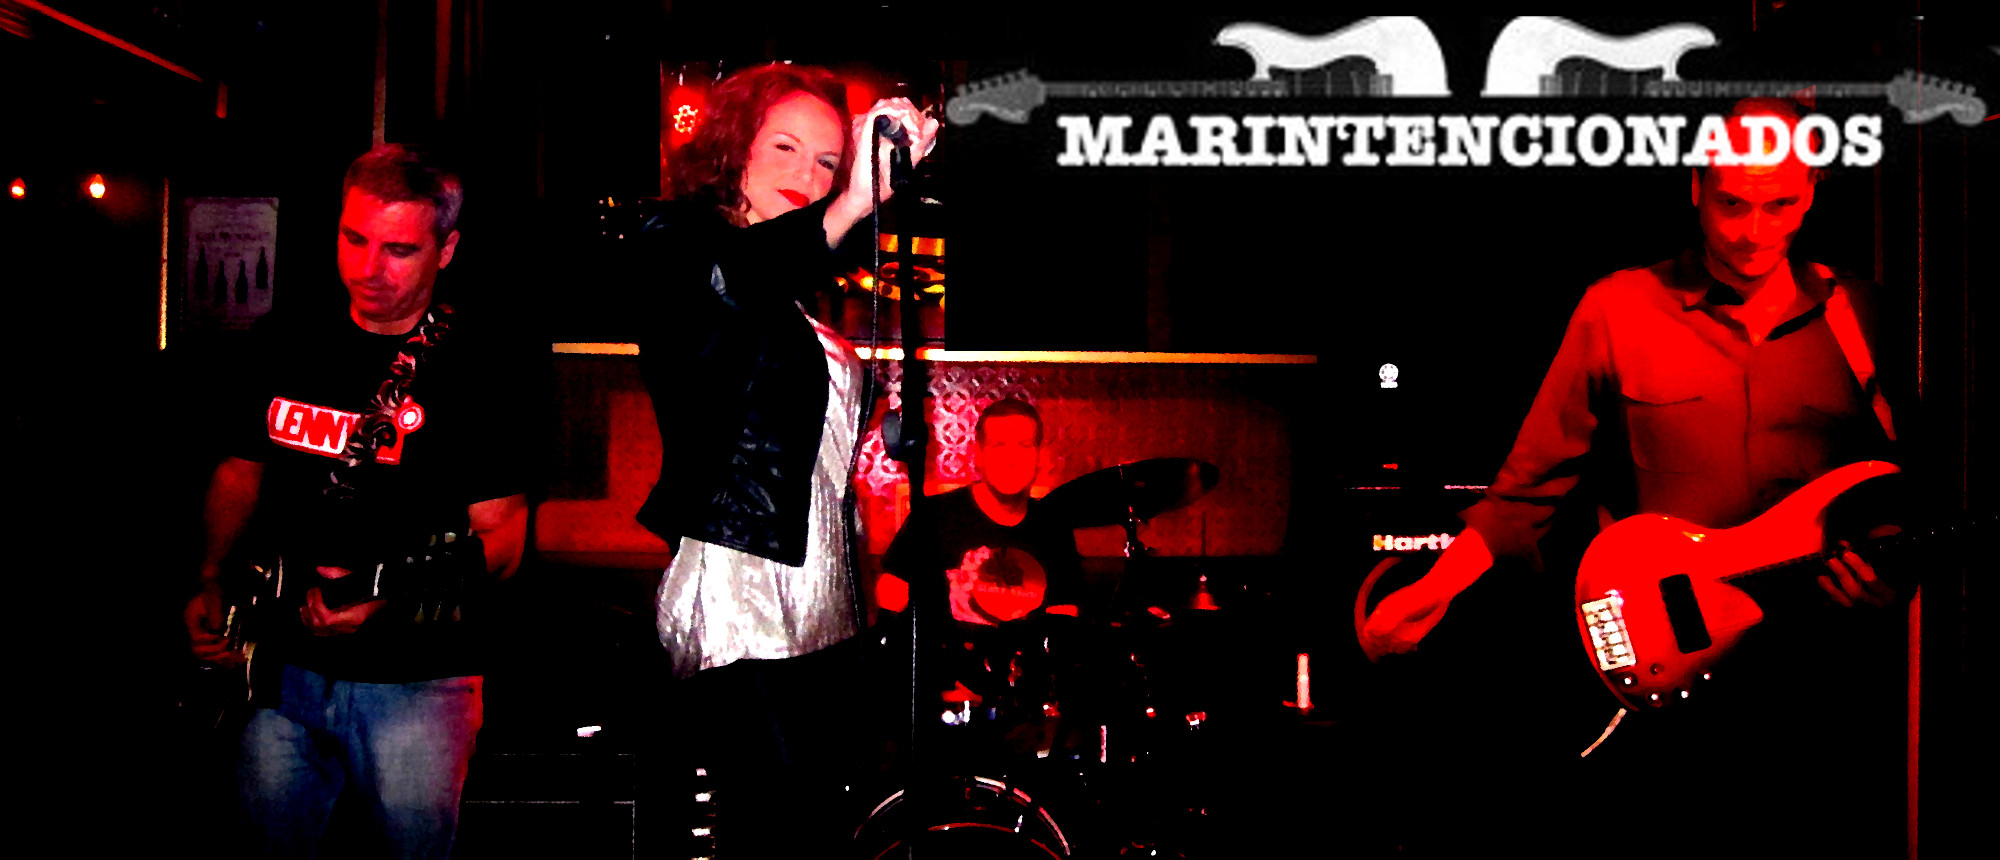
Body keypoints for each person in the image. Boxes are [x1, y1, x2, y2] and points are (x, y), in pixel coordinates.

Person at [1358, 98, 1911, 858]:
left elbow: (1902, 488)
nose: (1753, 232)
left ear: (1813, 188)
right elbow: (1526, 490)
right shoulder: (1618, 310)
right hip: (1663, 694)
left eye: (1779, 205)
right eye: (1732, 204)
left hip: (1818, 692)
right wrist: (1434, 590)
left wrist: (1890, 576)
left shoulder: (1865, 316)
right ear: (1696, 186)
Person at [182, 143, 535, 859]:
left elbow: (502, 541)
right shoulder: (286, 337)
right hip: (280, 669)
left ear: (447, 250)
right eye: (354, 239)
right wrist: (211, 577)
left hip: (419, 682)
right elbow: (239, 472)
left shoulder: (481, 368)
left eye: (399, 250)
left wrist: (389, 599)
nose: (370, 268)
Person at [628, 62, 938, 857]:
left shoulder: (797, 285)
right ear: (733, 149)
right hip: (743, 586)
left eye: (829, 161)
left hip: (824, 589)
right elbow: (733, 285)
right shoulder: (677, 245)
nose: (809, 173)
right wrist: (850, 206)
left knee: (815, 829)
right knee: (777, 828)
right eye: (785, 148)